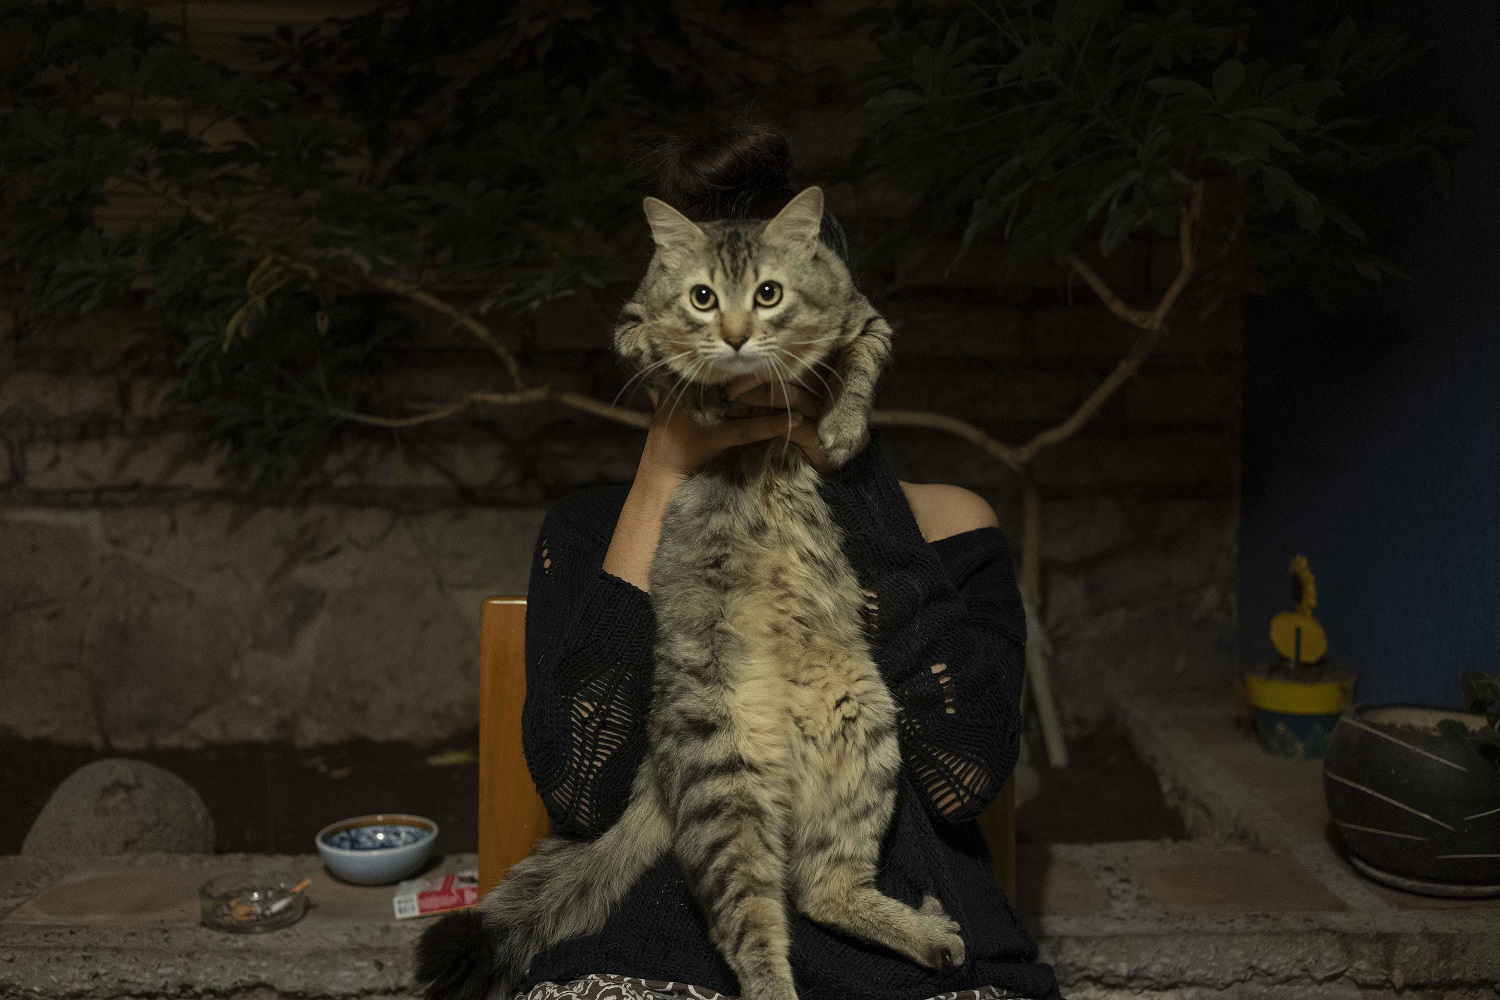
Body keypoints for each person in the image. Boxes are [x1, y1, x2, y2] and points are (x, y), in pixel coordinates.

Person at [514, 124, 1061, 1000]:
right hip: (659, 957)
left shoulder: (943, 519)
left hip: (903, 955)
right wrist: (661, 474)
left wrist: (845, 458)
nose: (737, 333)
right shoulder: (592, 528)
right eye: (702, 304)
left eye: (770, 300)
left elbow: (966, 777)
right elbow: (580, 791)